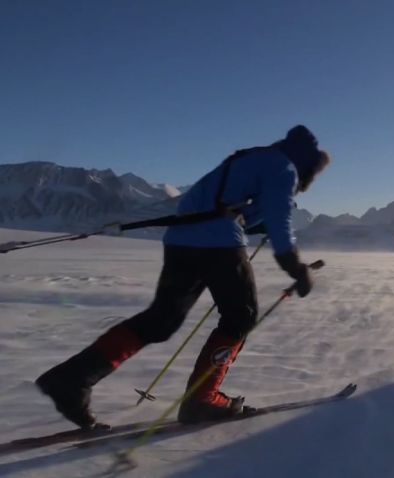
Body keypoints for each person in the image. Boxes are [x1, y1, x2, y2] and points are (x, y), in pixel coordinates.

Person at [36, 125, 331, 428]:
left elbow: (225, 205)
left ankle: (71, 380)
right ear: (308, 165)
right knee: (240, 318)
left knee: (161, 320)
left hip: (181, 241)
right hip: (219, 244)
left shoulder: (252, 159)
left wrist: (256, 222)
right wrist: (296, 267)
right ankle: (203, 399)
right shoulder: (284, 169)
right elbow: (280, 220)